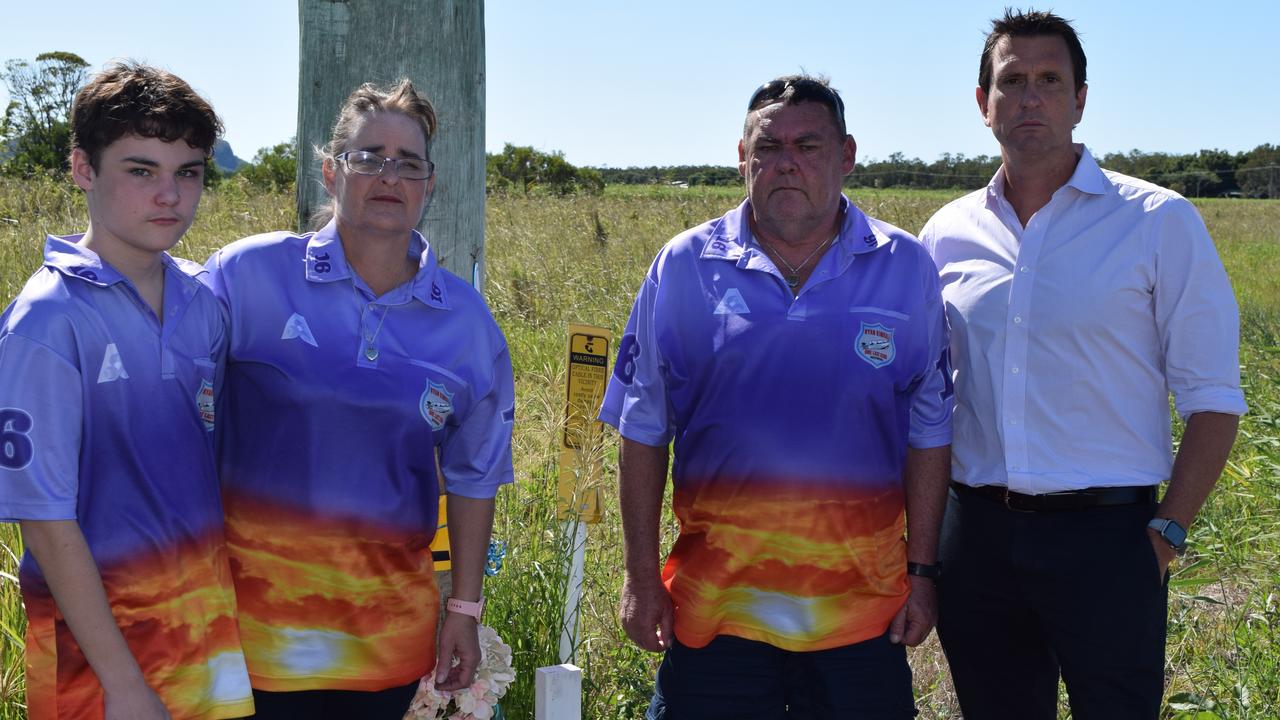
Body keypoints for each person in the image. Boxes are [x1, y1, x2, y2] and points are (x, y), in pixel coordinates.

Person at [919, 9, 1247, 719]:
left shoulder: (1158, 222)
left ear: (1080, 99)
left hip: (1110, 541)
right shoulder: (944, 235)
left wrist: (1168, 533)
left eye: (1049, 79)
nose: (1030, 97)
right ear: (983, 104)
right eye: (1012, 81)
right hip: (977, 540)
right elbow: (925, 400)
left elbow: (1215, 398)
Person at [599, 75, 954, 719]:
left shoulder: (906, 267)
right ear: (742, 157)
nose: (786, 161)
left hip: (859, 619)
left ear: (846, 156)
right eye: (768, 147)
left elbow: (930, 431)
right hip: (717, 615)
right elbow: (642, 427)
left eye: (809, 145)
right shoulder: (683, 266)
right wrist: (641, 576)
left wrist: (923, 575)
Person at [203, 79, 514, 719]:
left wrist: (463, 610)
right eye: (368, 157)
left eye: (409, 164)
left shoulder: (466, 322)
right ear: (330, 171)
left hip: (385, 646)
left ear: (429, 186)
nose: (388, 177)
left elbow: (475, 476)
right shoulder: (248, 275)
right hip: (244, 638)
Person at [0, 62, 253, 720]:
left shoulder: (204, 305)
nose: (169, 195)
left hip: (207, 639)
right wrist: (124, 684)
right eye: (141, 171)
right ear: (84, 169)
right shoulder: (47, 320)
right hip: (100, 662)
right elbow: (47, 522)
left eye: (188, 172)